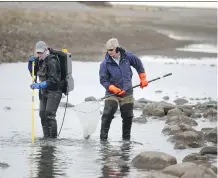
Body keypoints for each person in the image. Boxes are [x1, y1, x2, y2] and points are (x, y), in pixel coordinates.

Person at [99, 38, 148, 141]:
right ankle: (103, 141)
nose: (109, 52)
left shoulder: (128, 57)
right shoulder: (105, 63)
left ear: (117, 48)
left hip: (127, 92)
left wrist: (143, 78)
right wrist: (112, 88)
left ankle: (126, 142)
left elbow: (138, 65)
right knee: (108, 112)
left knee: (127, 117)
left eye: (111, 50)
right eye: (108, 50)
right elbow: (103, 80)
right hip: (112, 93)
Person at [28, 41, 62, 138]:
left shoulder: (52, 61)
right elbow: (34, 76)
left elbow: (54, 80)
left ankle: (53, 141)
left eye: (41, 52)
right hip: (44, 92)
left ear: (46, 50)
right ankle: (46, 138)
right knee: (42, 114)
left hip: (54, 91)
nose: (39, 54)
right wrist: (30, 67)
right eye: (37, 52)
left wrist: (40, 85)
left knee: (49, 114)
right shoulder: (39, 60)